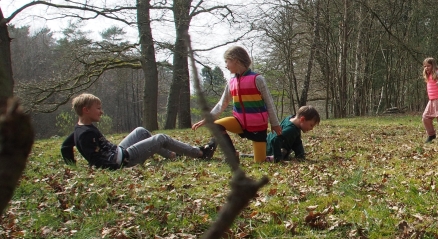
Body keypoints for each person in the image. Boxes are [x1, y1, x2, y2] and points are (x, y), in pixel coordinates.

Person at [61, 93, 215, 169]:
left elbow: (65, 147)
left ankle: (172, 154)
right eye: (98, 109)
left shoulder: (80, 129)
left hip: (117, 151)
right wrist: (115, 169)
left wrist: (72, 167)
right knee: (160, 138)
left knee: (141, 131)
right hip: (122, 159)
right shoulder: (85, 134)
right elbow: (94, 159)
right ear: (86, 110)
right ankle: (201, 153)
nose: (101, 112)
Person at [192, 45, 281, 163]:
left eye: (227, 61)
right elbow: (221, 104)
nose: (225, 65)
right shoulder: (231, 82)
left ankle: (272, 157)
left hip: (258, 127)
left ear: (236, 60)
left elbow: (269, 103)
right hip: (239, 122)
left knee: (260, 161)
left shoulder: (257, 79)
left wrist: (275, 123)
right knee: (216, 126)